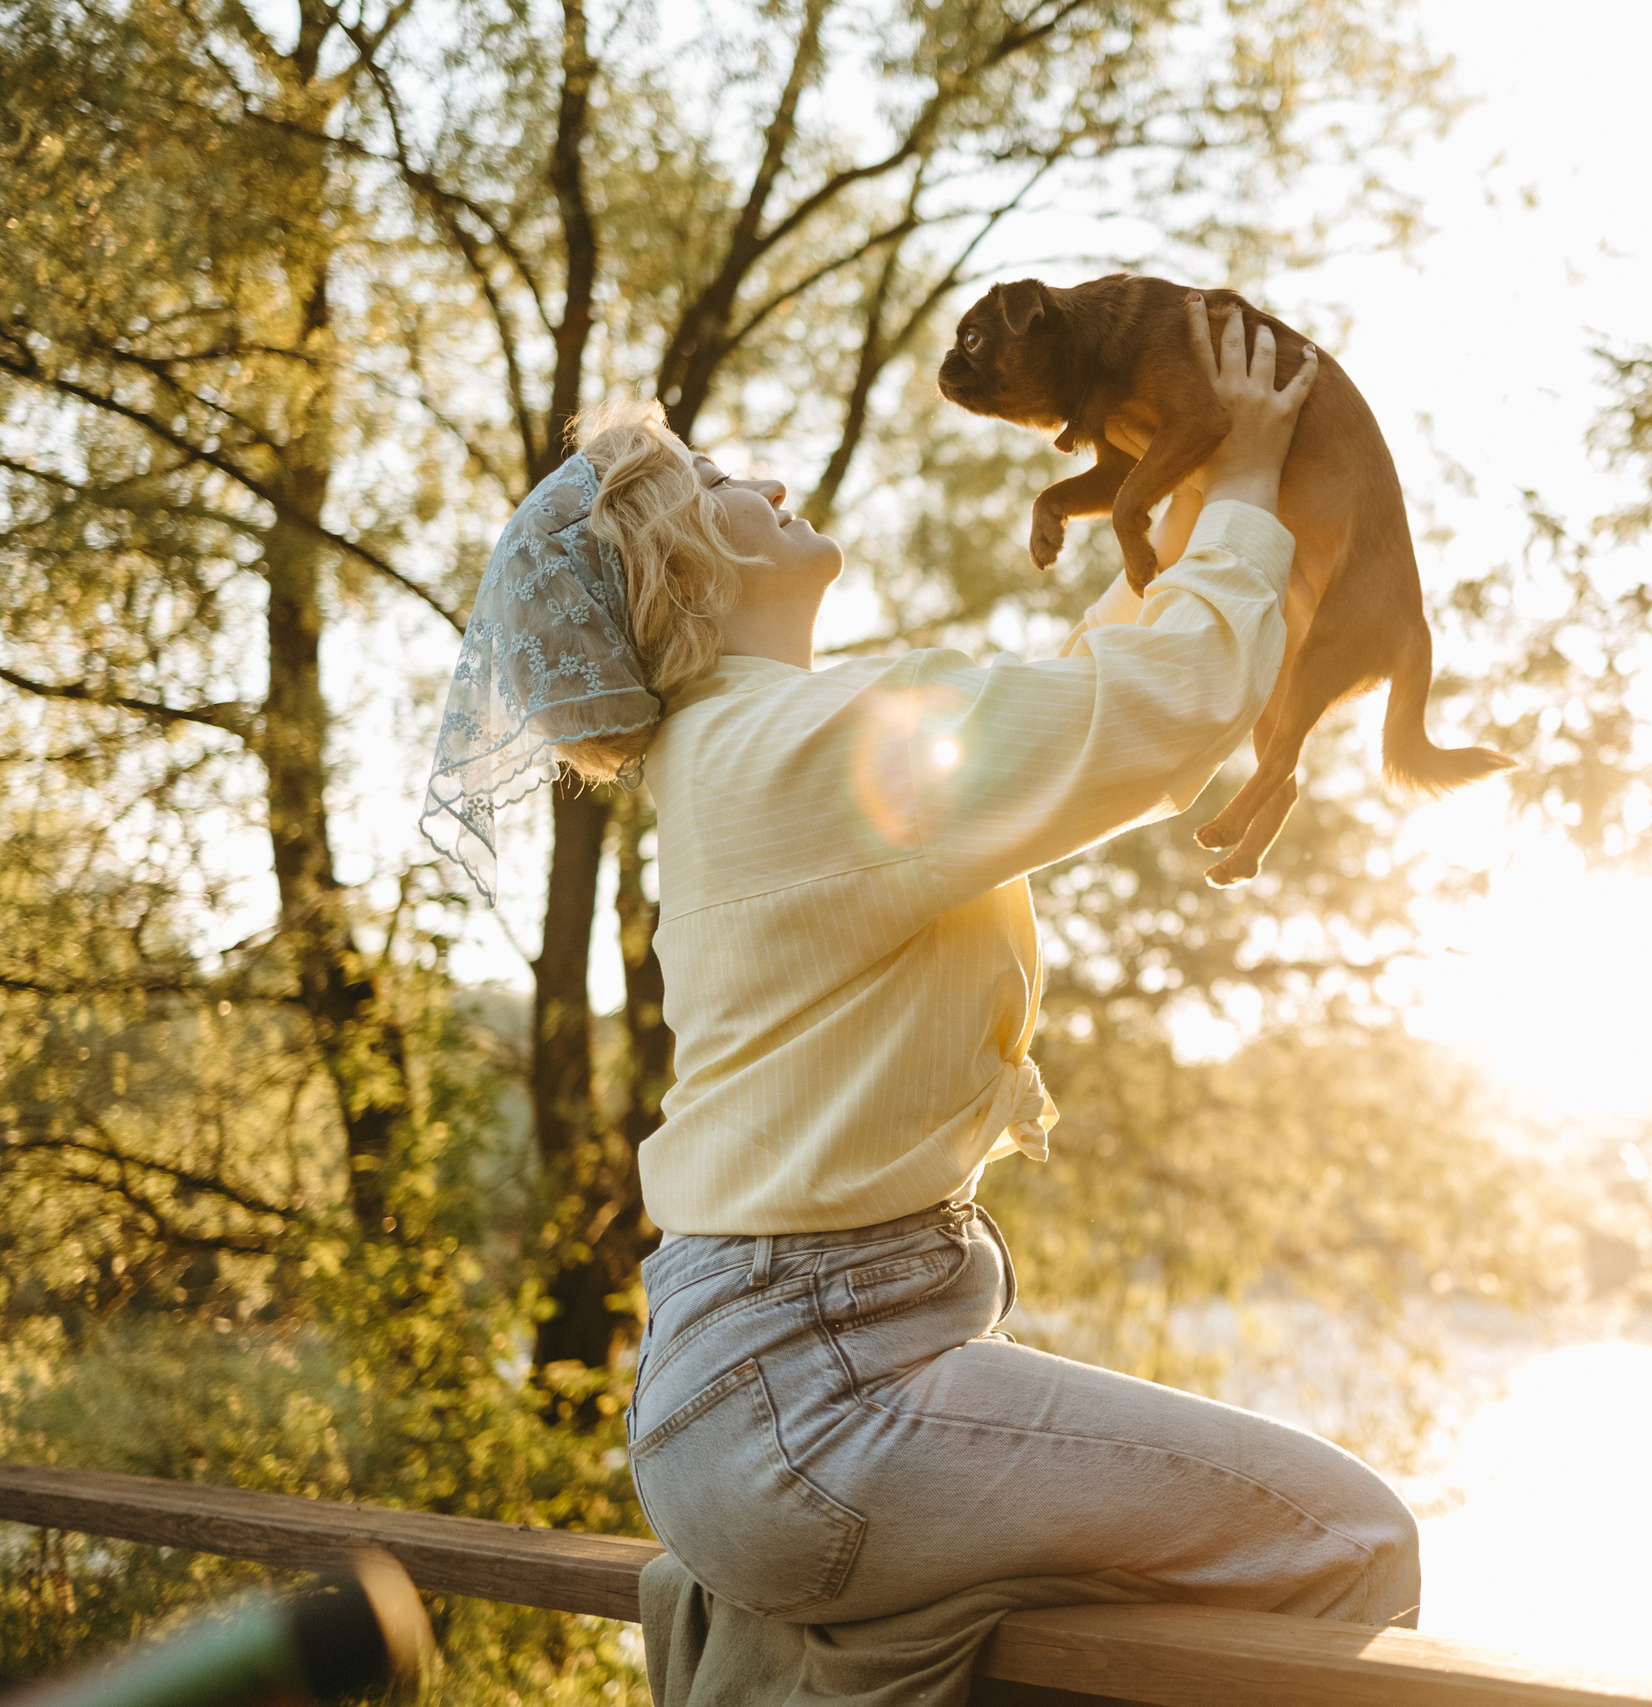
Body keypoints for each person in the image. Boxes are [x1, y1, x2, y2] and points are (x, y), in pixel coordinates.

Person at [421, 297, 1419, 1664]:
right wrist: (1241, 483)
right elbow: (1152, 709)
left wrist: (1189, 482)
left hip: (787, 1381)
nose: (767, 480)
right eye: (717, 486)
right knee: (1349, 1541)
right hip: (813, 1399)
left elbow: (1078, 695)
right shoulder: (794, 753)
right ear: (673, 574)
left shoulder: (756, 749)